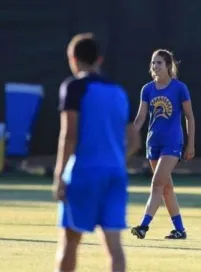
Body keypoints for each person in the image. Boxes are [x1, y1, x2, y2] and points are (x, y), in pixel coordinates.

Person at [52, 32, 141, 272]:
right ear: (99, 60)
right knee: (114, 248)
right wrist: (115, 159)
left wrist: (59, 175)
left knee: (70, 243)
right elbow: (134, 139)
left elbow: (69, 135)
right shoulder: (119, 92)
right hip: (114, 175)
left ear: (72, 58)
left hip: (83, 173)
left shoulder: (74, 87)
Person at [131, 49, 196, 239]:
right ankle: (180, 230)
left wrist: (190, 144)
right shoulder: (147, 89)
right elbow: (141, 117)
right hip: (154, 143)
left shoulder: (179, 88)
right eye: (153, 63)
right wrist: (129, 135)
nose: (155, 66)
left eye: (159, 63)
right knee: (166, 189)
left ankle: (143, 226)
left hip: (173, 142)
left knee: (157, 183)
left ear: (168, 65)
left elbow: (190, 117)